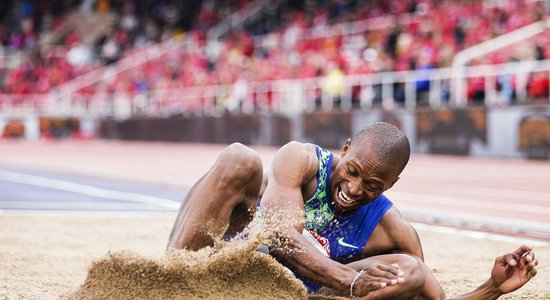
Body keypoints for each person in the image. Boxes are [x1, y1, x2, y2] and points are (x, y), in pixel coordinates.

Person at [167, 122, 538, 299]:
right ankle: (168, 279)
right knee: (240, 159)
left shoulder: (393, 230)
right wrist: (349, 279)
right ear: (344, 149)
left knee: (410, 270)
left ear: (390, 186)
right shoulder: (301, 160)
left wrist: (491, 289)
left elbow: (429, 298)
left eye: (373, 186)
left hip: (288, 293)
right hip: (225, 267)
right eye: (353, 171)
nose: (354, 189)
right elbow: (278, 236)